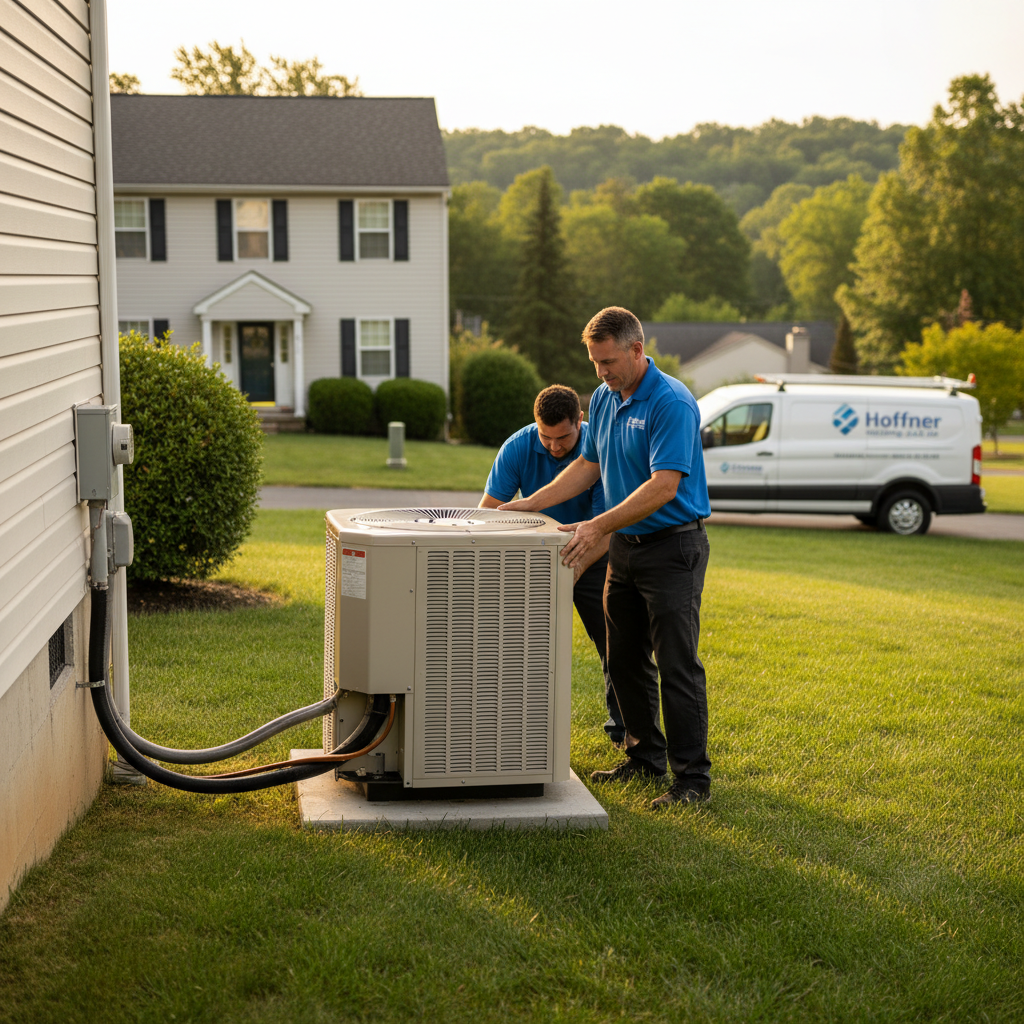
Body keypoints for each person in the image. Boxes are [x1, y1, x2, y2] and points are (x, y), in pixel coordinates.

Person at [500, 307, 712, 809]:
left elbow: (664, 486)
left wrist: (597, 525)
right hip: (626, 549)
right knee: (623, 658)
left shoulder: (671, 402)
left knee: (677, 664)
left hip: (673, 548)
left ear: (637, 350)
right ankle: (643, 757)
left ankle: (692, 780)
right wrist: (532, 504)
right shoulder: (603, 397)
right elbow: (588, 465)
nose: (600, 372)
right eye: (594, 362)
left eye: (608, 361)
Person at [480, 384, 626, 748]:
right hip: (532, 560)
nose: (554, 446)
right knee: (507, 646)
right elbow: (488, 514)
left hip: (592, 556)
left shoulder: (599, 447)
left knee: (616, 644)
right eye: (546, 437)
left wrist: (568, 573)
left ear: (580, 420)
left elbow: (604, 530)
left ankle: (625, 732)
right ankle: (507, 728)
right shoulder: (517, 447)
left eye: (563, 437)